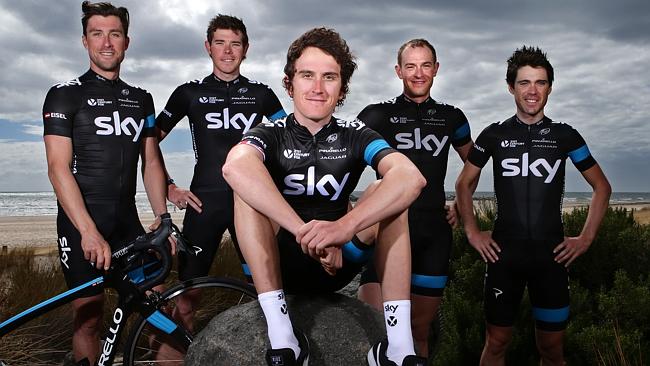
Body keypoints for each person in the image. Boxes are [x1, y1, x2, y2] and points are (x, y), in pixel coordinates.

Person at [222, 28, 428, 366]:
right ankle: (284, 340)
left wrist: (341, 229)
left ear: (342, 89)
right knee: (245, 191)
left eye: (329, 77)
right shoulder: (269, 132)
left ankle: (398, 348)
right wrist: (308, 234)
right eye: (307, 75)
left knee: (387, 190)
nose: (318, 88)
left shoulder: (356, 133)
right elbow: (234, 168)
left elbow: (410, 177)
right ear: (289, 84)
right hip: (282, 262)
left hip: (340, 262)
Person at [455, 46, 611, 365]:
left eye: (540, 82)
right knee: (496, 343)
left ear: (550, 87)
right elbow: (463, 184)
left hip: (551, 258)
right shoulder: (494, 135)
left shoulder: (565, 136)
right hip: (504, 257)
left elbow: (602, 187)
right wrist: (472, 232)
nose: (532, 91)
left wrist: (586, 238)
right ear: (511, 87)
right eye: (525, 82)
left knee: (552, 350)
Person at [42, 2, 168, 364]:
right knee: (88, 321)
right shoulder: (64, 94)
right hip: (81, 225)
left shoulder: (141, 98)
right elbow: (57, 168)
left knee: (158, 311)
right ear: (85, 41)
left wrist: (164, 218)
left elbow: (152, 162)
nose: (107, 42)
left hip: (127, 224)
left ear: (126, 41)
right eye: (97, 34)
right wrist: (88, 231)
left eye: (114, 34)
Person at [154, 13, 286, 330]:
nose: (227, 51)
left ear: (246, 49)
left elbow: (290, 142)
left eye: (235, 44)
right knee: (186, 301)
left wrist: (279, 196)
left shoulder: (262, 94)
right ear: (208, 47)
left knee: (267, 292)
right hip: (204, 204)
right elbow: (150, 142)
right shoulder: (189, 93)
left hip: (251, 205)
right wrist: (169, 187)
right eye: (220, 43)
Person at [356, 38, 473, 357]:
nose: (418, 73)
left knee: (419, 334)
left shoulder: (453, 118)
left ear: (436, 69)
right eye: (410, 66)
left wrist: (461, 203)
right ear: (398, 71)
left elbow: (473, 165)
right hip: (388, 234)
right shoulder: (376, 115)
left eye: (425, 65)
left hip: (433, 235)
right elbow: (345, 166)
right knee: (377, 331)